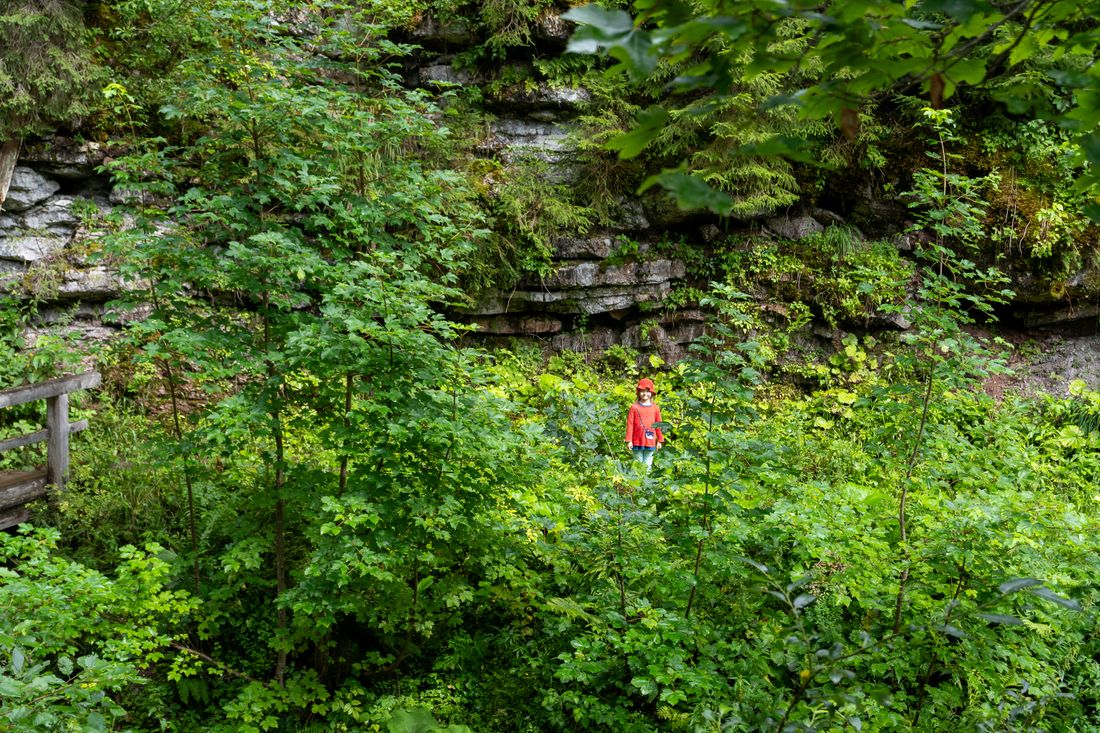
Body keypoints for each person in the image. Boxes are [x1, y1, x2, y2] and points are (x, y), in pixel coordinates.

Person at [625, 377, 663, 467]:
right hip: (636, 440)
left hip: (650, 441)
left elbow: (659, 425)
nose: (645, 393)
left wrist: (660, 440)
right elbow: (630, 425)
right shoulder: (634, 407)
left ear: (652, 393)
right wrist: (629, 440)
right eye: (642, 391)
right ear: (638, 392)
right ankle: (637, 480)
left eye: (647, 391)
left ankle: (646, 480)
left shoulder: (655, 408)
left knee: (648, 463)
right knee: (638, 463)